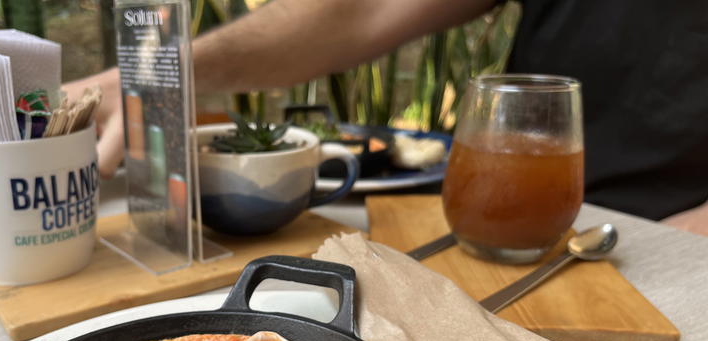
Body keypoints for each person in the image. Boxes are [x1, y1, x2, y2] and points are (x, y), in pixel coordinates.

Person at [64, 0, 708, 235]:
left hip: (673, 245)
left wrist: (669, 248)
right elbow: (363, 9)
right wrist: (173, 67)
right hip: (499, 217)